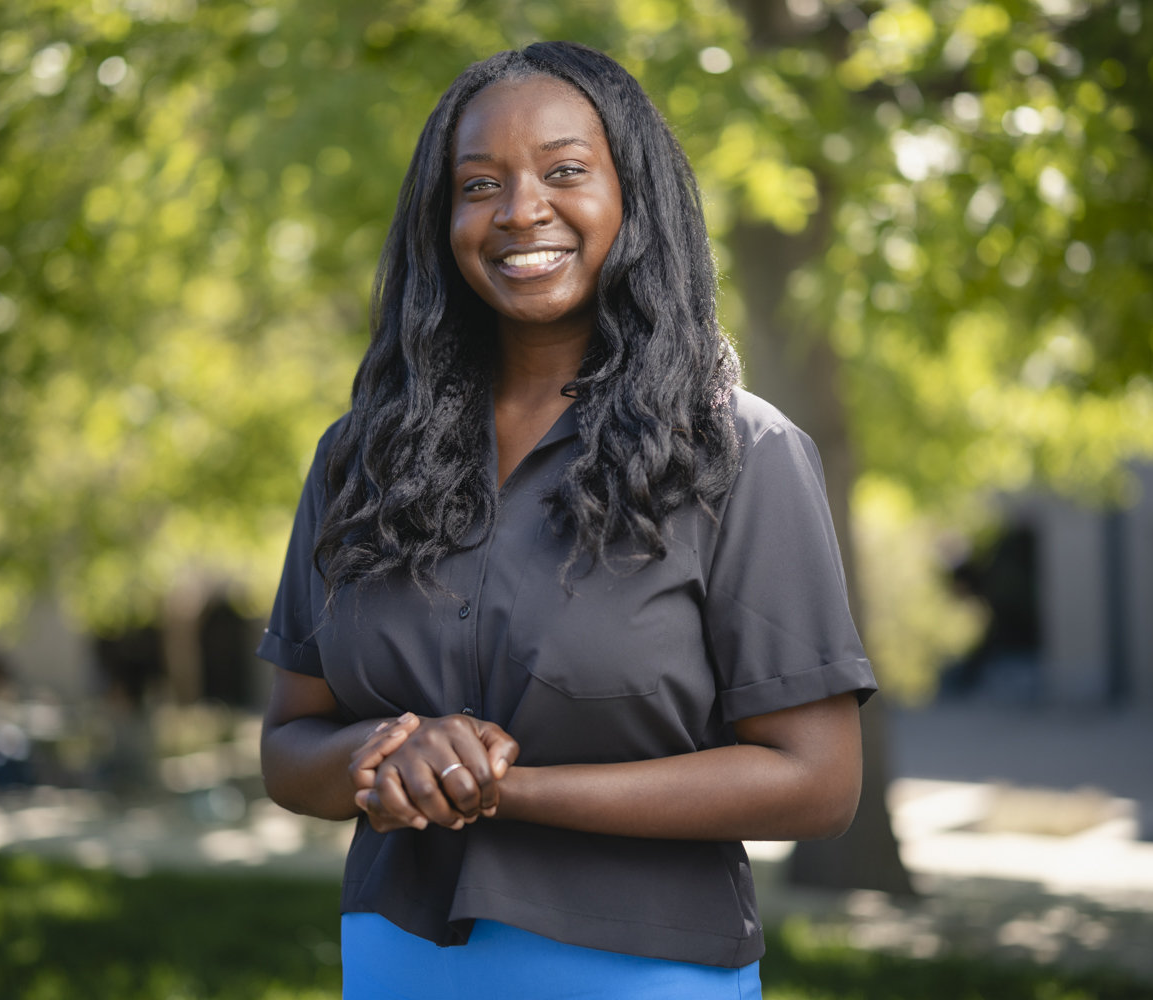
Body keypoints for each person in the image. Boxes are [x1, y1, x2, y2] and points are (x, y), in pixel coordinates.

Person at [258, 41, 875, 999]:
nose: (519, 211)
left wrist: (501, 790)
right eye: (478, 184)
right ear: (442, 219)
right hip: (395, 965)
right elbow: (288, 749)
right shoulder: (358, 458)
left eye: (565, 171)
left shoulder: (739, 455)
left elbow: (816, 781)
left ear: (633, 197)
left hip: (645, 972)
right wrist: (385, 756)